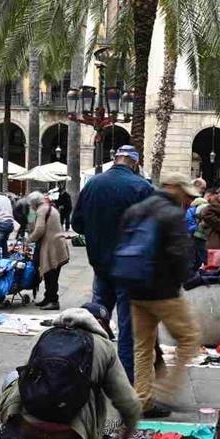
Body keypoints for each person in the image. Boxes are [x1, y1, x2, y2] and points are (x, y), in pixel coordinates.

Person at [0, 304, 141, 439]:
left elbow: (28, 382)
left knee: (16, 377)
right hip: (71, 432)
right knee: (94, 393)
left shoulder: (42, 336)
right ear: (101, 324)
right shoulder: (105, 347)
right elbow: (127, 399)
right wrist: (129, 429)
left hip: (28, 426)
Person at [71, 145, 154, 382]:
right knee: (128, 329)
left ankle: (90, 372)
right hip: (131, 269)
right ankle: (125, 381)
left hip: (101, 265)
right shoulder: (142, 188)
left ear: (115, 159)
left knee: (97, 320)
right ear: (135, 163)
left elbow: (76, 225)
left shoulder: (93, 184)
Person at [124, 173, 201, 417]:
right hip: (163, 291)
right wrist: (185, 279)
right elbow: (180, 254)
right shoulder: (172, 214)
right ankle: (167, 389)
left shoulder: (137, 209)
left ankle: (143, 400)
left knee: (143, 347)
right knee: (190, 338)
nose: (187, 198)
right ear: (175, 189)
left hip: (135, 288)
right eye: (185, 193)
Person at [28, 192, 70, 310]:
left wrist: (29, 240)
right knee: (49, 273)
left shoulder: (42, 210)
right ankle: (48, 298)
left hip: (52, 246)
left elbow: (39, 229)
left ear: (34, 203)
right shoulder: (51, 208)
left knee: (51, 274)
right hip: (57, 244)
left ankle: (53, 301)